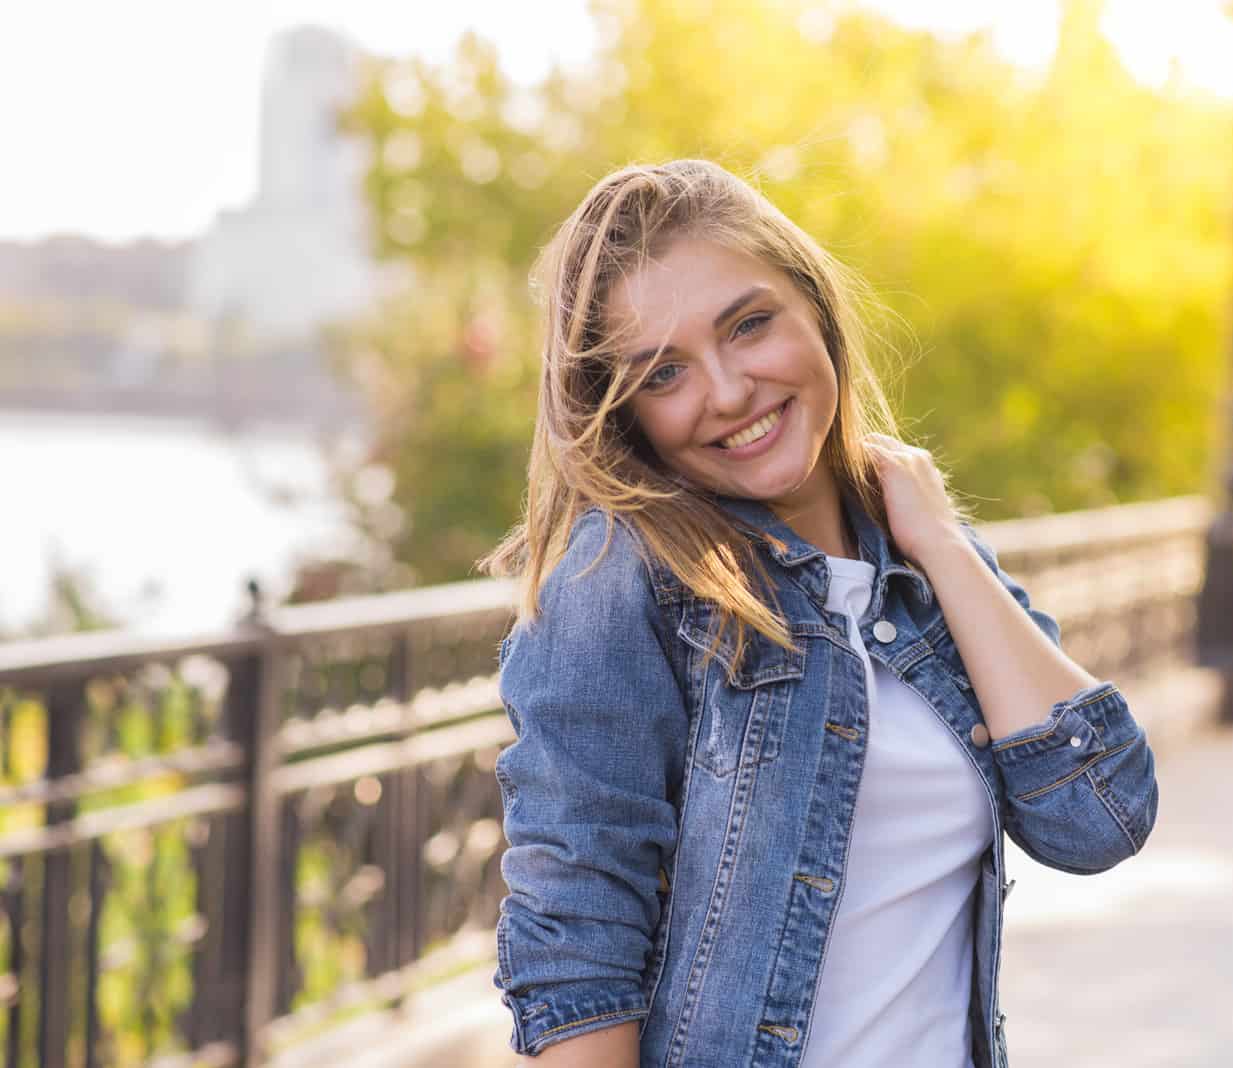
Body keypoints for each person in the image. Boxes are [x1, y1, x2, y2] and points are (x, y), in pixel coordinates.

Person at [480, 159, 1158, 1068]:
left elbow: (1097, 816)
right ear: (625, 415)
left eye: (749, 325)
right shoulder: (619, 578)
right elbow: (576, 954)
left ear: (816, 308)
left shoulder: (919, 565)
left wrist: (946, 548)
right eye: (664, 373)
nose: (725, 392)